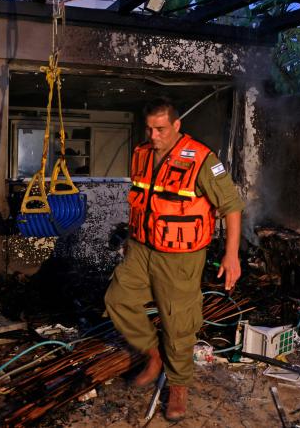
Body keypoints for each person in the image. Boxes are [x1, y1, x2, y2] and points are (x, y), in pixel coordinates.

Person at [104, 97, 244, 421]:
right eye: (150, 129)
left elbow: (232, 206)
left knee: (178, 325)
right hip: (141, 248)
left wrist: (231, 255)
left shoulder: (203, 160)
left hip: (180, 257)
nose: (154, 136)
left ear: (177, 126)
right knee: (117, 299)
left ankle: (178, 387)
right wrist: (129, 240)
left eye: (161, 129)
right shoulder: (141, 153)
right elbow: (141, 202)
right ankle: (154, 354)